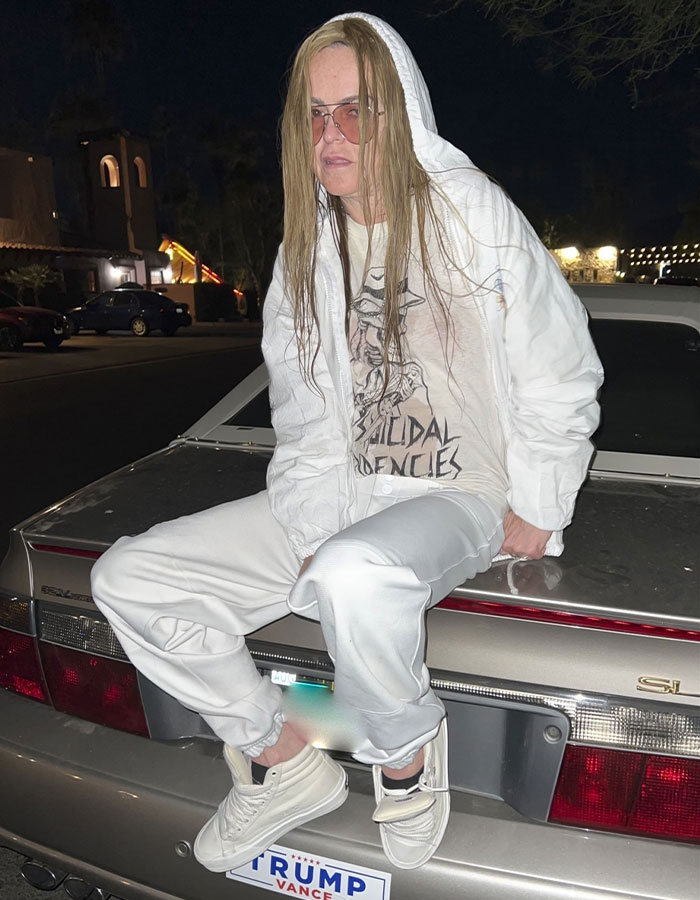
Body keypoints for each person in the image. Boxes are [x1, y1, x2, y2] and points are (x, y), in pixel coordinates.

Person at [90, 12, 603, 874]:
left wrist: (543, 500)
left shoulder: (468, 213)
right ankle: (279, 760)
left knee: (352, 575)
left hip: (456, 492)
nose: (332, 133)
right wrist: (308, 517)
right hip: (340, 492)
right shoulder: (305, 251)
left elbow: (561, 367)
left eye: (354, 110)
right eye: (316, 114)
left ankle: (404, 756)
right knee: (131, 578)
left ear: (397, 112)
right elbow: (302, 416)